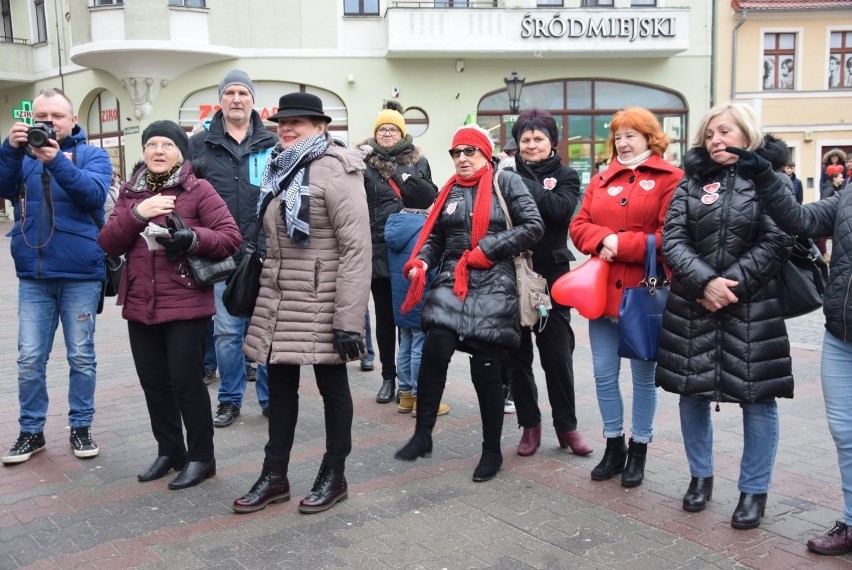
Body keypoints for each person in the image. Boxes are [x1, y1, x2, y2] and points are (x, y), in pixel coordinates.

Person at [655, 102, 794, 530]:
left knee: (757, 399)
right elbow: (672, 238)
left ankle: (753, 491)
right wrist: (704, 283)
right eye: (711, 134)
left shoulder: (770, 178)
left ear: (747, 135)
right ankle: (700, 477)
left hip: (751, 306)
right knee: (691, 392)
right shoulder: (691, 181)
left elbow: (780, 238)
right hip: (694, 306)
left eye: (726, 132)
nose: (716, 140)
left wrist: (727, 285)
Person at [232, 92, 371, 514]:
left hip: (322, 300)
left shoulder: (337, 168)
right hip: (280, 298)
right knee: (281, 389)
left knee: (332, 388)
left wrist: (349, 319)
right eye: (282, 122)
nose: (288, 128)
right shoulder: (280, 168)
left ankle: (335, 473)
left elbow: (356, 247)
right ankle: (274, 475)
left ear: (321, 126)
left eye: (300, 122)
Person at [393, 125, 543, 482]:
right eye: (455, 153)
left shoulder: (506, 183)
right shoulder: (450, 191)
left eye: (469, 152)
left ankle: (492, 451)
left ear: (485, 154)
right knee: (434, 350)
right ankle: (423, 434)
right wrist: (423, 261)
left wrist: (487, 249)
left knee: (486, 369)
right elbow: (436, 237)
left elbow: (533, 226)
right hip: (452, 279)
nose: (461, 158)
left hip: (496, 282)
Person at [99, 120, 241, 488]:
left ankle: (201, 457)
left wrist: (191, 238)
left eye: (166, 145)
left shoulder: (198, 189)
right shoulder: (131, 193)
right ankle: (170, 451)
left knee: (186, 383)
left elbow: (230, 237)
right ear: (143, 152)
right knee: (153, 383)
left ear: (180, 151)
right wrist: (138, 215)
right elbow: (109, 243)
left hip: (185, 304)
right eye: (151, 145)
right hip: (140, 304)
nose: (158, 151)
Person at [744, 125, 852, 556]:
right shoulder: (847, 193)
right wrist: (767, 176)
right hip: (842, 334)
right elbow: (801, 220)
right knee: (844, 433)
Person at [569, 107, 682, 488]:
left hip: (644, 294)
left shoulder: (671, 179)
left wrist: (624, 244)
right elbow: (578, 225)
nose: (623, 142)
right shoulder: (601, 179)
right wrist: (601, 240)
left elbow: (674, 237)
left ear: (651, 138)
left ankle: (640, 448)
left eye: (632, 134)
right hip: (601, 295)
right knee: (603, 375)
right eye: (618, 135)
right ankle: (613, 443)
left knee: (643, 378)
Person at [0, 88, 112, 464]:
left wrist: (54, 160)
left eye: (56, 117)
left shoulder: (92, 155)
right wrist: (9, 149)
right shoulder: (21, 155)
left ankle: (81, 427)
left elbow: (93, 195)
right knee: (29, 357)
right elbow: (2, 188)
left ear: (72, 121)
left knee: (81, 356)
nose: (47, 123)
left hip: (81, 273)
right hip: (33, 273)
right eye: (40, 117)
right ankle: (31, 432)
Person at [188, 69, 277, 424]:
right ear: (220, 99)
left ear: (253, 100)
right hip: (221, 253)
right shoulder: (199, 144)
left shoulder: (272, 143)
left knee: (266, 331)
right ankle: (229, 399)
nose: (236, 99)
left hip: (266, 252)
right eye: (230, 93)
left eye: (243, 93)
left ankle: (271, 399)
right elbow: (188, 195)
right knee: (226, 333)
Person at [502, 109, 592, 458]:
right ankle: (530, 424)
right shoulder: (501, 178)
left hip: (552, 277)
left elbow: (559, 209)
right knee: (517, 354)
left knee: (556, 355)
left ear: (552, 142)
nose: (531, 145)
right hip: (513, 274)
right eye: (525, 139)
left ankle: (567, 427)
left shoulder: (566, 176)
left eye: (538, 139)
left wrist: (518, 180)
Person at [359, 100, 436, 405]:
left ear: (402, 132)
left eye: (392, 129)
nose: (387, 134)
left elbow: (432, 197)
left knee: (411, 315)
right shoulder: (363, 162)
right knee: (385, 316)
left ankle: (410, 382)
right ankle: (388, 377)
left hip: (411, 249)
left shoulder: (418, 162)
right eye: (382, 129)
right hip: (378, 248)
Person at [384, 176, 449, 417]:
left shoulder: (395, 224)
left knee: (406, 344)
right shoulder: (424, 228)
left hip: (399, 297)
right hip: (420, 295)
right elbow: (430, 265)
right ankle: (423, 400)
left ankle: (406, 396)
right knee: (421, 347)